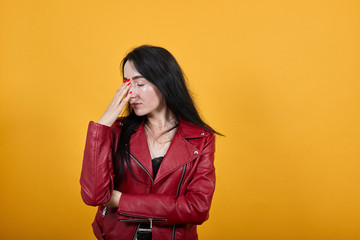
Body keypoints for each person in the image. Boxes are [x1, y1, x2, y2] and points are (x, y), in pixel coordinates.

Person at [80, 45, 219, 240]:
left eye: (140, 83)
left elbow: (197, 208)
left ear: (164, 83)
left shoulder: (201, 138)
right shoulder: (116, 131)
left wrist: (121, 200)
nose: (131, 94)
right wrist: (102, 125)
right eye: (127, 84)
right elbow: (94, 196)